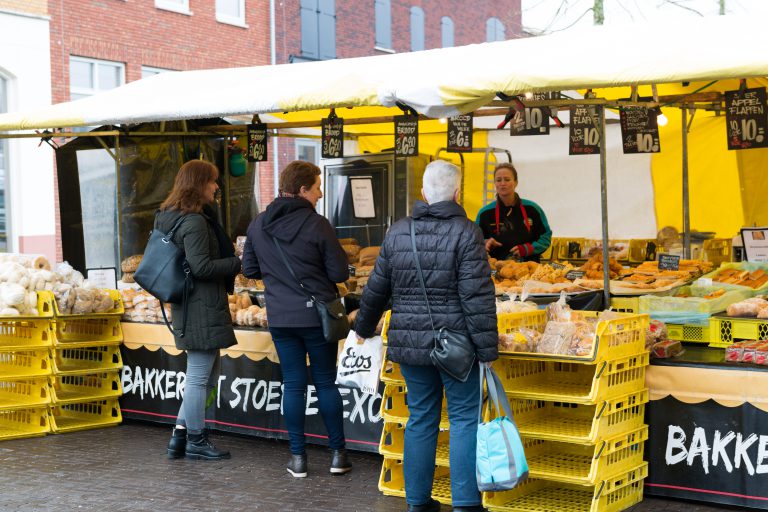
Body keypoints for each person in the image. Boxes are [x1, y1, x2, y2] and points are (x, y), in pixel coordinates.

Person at [354, 160, 498, 512]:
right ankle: (465, 503)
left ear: (423, 194)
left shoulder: (400, 231)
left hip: (410, 344)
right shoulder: (467, 232)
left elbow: (376, 288)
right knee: (464, 419)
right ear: (457, 192)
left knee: (420, 417)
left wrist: (361, 328)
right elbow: (476, 295)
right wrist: (487, 348)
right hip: (457, 345)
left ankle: (417, 502)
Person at [241, 160, 352, 478]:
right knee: (326, 382)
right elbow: (339, 272)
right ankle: (337, 456)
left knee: (293, 384)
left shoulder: (259, 224)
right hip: (316, 317)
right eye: (317, 188)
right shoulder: (318, 225)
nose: (319, 194)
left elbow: (249, 270)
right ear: (303, 190)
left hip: (280, 317)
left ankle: (298, 459)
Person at [160, 160, 242, 461]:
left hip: (189, 304)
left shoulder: (168, 217)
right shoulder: (193, 221)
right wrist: (237, 262)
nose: (217, 187)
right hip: (200, 306)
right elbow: (201, 266)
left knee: (205, 375)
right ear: (198, 184)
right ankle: (196, 438)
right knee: (199, 378)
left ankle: (180, 436)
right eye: (213, 181)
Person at [475, 163, 551, 262]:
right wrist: (485, 242)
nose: (502, 183)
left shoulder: (532, 209)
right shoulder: (485, 213)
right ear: (495, 183)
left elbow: (546, 236)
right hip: (495, 269)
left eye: (507, 179)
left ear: (515, 182)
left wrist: (529, 249)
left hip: (528, 270)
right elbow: (474, 241)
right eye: (498, 180)